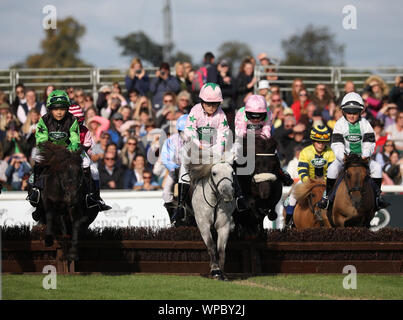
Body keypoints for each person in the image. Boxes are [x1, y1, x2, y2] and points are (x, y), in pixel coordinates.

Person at [317, 92, 389, 211]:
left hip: (362, 159)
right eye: (349, 112)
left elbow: (370, 143)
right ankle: (327, 198)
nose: (351, 115)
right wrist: (342, 157)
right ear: (343, 111)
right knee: (332, 169)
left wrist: (365, 155)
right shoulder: (339, 124)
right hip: (345, 159)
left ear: (360, 112)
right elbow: (337, 144)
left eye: (355, 112)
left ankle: (377, 198)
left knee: (377, 168)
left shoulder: (365, 124)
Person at [174, 83, 230, 225]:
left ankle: (236, 200)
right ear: (202, 102)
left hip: (214, 150)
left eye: (214, 104)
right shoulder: (195, 110)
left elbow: (223, 135)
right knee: (184, 166)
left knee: (229, 166)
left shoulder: (221, 115)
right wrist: (198, 146)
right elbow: (190, 129)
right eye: (208, 104)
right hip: (196, 147)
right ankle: (180, 205)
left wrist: (216, 153)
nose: (211, 107)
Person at [233, 94, 294, 218]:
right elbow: (241, 133)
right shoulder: (240, 113)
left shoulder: (269, 113)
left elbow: (266, 132)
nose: (256, 120)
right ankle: (232, 179)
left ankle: (282, 174)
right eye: (253, 117)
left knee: (273, 153)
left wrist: (260, 145)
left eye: (259, 117)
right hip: (244, 141)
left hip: (261, 140)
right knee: (233, 156)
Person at [26, 90, 81, 221]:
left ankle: (91, 197)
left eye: (62, 108)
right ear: (50, 109)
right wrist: (54, 152)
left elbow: (75, 138)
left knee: (88, 165)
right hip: (49, 152)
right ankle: (36, 195)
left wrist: (73, 147)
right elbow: (41, 140)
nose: (59, 112)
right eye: (56, 109)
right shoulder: (44, 120)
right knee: (36, 169)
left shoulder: (72, 120)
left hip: (68, 152)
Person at [284, 125, 335, 226]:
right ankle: (289, 220)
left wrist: (325, 181)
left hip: (325, 181)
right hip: (308, 181)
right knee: (293, 194)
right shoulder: (305, 152)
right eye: (318, 142)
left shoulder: (330, 152)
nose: (321, 145)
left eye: (323, 142)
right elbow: (302, 170)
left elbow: (332, 170)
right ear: (313, 141)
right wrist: (307, 181)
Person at [68, 104, 111, 211]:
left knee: (94, 170)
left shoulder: (85, 130)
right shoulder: (64, 130)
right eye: (77, 120)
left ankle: (95, 196)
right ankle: (38, 191)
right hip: (65, 153)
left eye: (80, 120)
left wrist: (78, 150)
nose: (79, 123)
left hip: (80, 152)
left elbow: (87, 145)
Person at [161, 114, 188, 221]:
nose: (186, 135)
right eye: (183, 131)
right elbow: (165, 158)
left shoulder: (198, 139)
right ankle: (173, 218)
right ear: (178, 131)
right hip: (176, 170)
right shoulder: (171, 140)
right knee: (166, 191)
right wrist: (175, 167)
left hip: (193, 171)